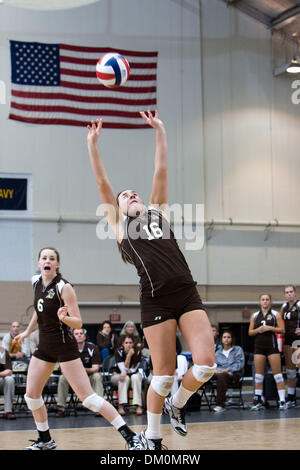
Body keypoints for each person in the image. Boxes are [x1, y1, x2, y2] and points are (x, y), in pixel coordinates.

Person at [87, 111, 215, 450]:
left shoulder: (157, 210)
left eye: (134, 192)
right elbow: (103, 184)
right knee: (162, 374)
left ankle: (178, 404)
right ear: (117, 207)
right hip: (156, 300)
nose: (131, 195)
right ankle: (153, 437)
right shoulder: (119, 227)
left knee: (205, 366)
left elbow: (161, 169)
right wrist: (93, 145)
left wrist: (160, 130)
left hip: (187, 293)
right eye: (125, 195)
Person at [14, 247, 143, 450]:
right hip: (45, 348)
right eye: (44, 257)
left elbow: (78, 323)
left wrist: (64, 318)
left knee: (89, 399)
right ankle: (46, 439)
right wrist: (28, 332)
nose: (47, 260)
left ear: (57, 264)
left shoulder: (64, 287)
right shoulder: (36, 282)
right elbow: (38, 311)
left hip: (65, 348)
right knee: (31, 396)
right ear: (39, 262)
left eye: (52, 258)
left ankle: (131, 437)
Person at [249, 293, 286, 410]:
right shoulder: (254, 316)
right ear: (260, 302)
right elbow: (250, 332)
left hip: (272, 347)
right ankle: (258, 401)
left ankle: (282, 401)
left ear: (270, 302)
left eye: (267, 299)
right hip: (259, 347)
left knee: (278, 376)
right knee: (259, 377)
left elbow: (282, 330)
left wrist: (270, 328)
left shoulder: (276, 314)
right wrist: (258, 329)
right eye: (263, 299)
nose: (265, 301)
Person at [56, 328, 103, 417]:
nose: (79, 335)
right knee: (62, 378)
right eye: (76, 334)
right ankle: (61, 408)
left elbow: (95, 368)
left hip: (89, 376)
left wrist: (83, 370)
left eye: (81, 333)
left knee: (97, 376)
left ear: (85, 336)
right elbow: (63, 369)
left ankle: (99, 408)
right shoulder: (67, 349)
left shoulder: (93, 348)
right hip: (73, 378)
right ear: (73, 337)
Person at [212, 330, 245, 412]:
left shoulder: (237, 350)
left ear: (231, 339)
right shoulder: (218, 353)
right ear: (221, 339)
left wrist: (227, 370)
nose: (226, 339)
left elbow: (239, 364)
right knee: (205, 374)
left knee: (222, 376)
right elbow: (215, 365)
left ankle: (220, 405)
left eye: (228, 337)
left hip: (233, 374)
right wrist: (216, 370)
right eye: (224, 337)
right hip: (220, 374)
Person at [111, 335, 143, 416]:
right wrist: (128, 356)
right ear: (122, 344)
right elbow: (122, 369)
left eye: (130, 343)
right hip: (117, 374)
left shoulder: (137, 351)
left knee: (135, 377)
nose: (128, 344)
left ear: (133, 344)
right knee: (124, 378)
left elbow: (134, 369)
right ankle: (121, 405)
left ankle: (138, 405)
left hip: (133, 375)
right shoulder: (118, 351)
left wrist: (126, 371)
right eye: (126, 343)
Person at [279, 285, 300, 408]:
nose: (289, 294)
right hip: (288, 341)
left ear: (295, 293)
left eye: (291, 292)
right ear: (284, 295)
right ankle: (291, 397)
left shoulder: (299, 304)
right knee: (290, 371)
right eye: (287, 292)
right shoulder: (284, 307)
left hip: (298, 341)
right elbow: (279, 320)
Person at [0, 345, 16, 419]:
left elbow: (9, 371)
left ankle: (8, 411)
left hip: (1, 381)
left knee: (9, 379)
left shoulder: (2, 351)